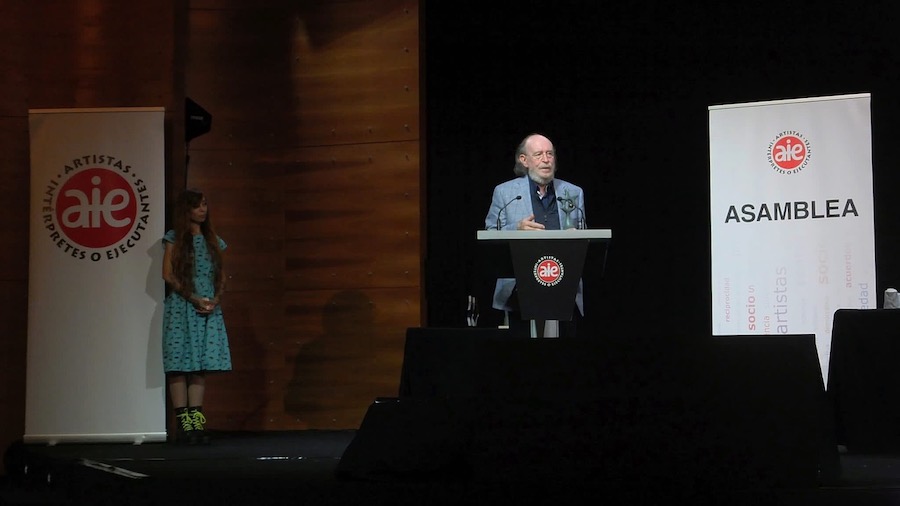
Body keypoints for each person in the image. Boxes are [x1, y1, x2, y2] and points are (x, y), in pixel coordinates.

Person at [484, 133, 586, 337]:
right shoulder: (505, 193)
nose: (546, 159)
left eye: (550, 154)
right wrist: (516, 230)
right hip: (519, 292)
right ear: (524, 160)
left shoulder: (573, 192)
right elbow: (490, 235)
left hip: (564, 289)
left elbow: (585, 238)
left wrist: (577, 239)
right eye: (538, 154)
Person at [162, 188, 231, 444]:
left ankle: (197, 424)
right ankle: (184, 425)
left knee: (200, 366)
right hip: (182, 305)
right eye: (197, 206)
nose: (202, 210)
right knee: (180, 365)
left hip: (208, 306)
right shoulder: (174, 238)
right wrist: (192, 297)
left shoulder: (214, 239)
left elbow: (221, 275)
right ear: (186, 210)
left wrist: (214, 299)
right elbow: (167, 274)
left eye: (204, 205)